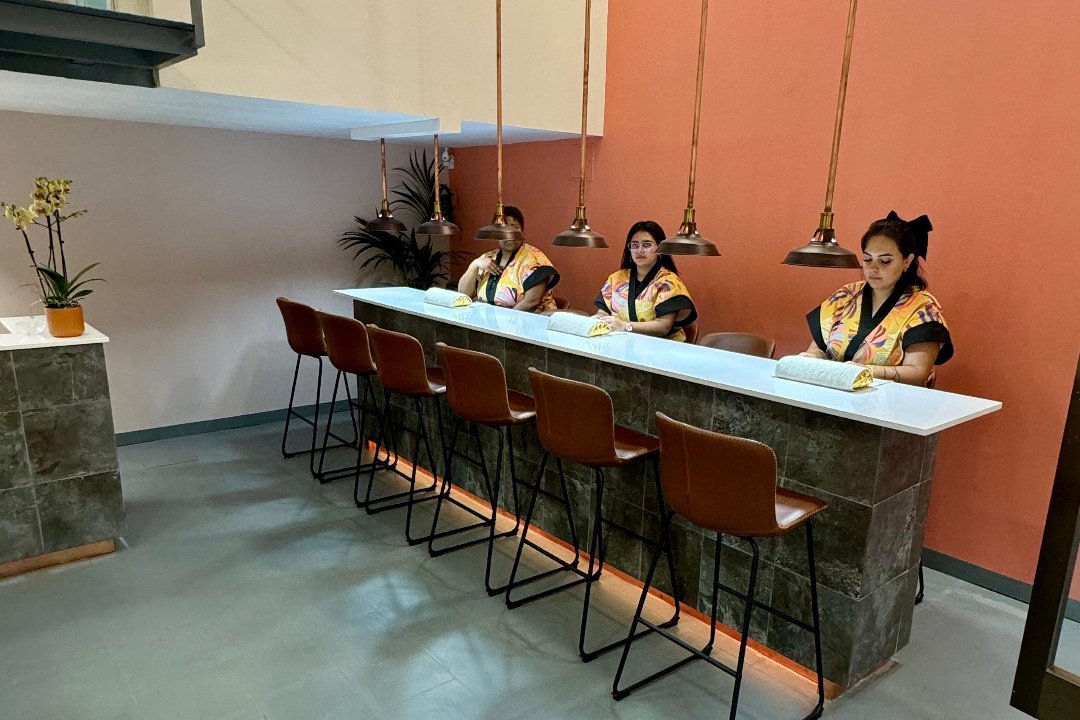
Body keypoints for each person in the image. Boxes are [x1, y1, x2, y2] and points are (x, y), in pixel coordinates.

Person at [801, 211, 953, 386]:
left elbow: (917, 372)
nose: (873, 268)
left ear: (907, 261)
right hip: (833, 390)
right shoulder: (846, 295)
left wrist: (866, 371)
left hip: (889, 399)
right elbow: (818, 349)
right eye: (867, 259)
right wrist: (809, 358)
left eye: (885, 261)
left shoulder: (924, 309)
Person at [593, 220, 697, 341]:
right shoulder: (615, 279)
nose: (639, 250)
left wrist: (625, 326)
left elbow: (663, 326)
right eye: (634, 245)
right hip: (621, 343)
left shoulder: (669, 282)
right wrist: (599, 318)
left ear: (659, 248)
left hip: (662, 346)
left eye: (646, 245)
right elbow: (603, 312)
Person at [457, 206, 560, 313]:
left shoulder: (535, 259)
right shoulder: (488, 258)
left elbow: (532, 301)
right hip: (489, 320)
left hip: (528, 320)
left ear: (522, 230)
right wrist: (474, 265)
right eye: (503, 229)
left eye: (514, 228)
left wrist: (506, 319)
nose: (509, 234)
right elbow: (463, 294)